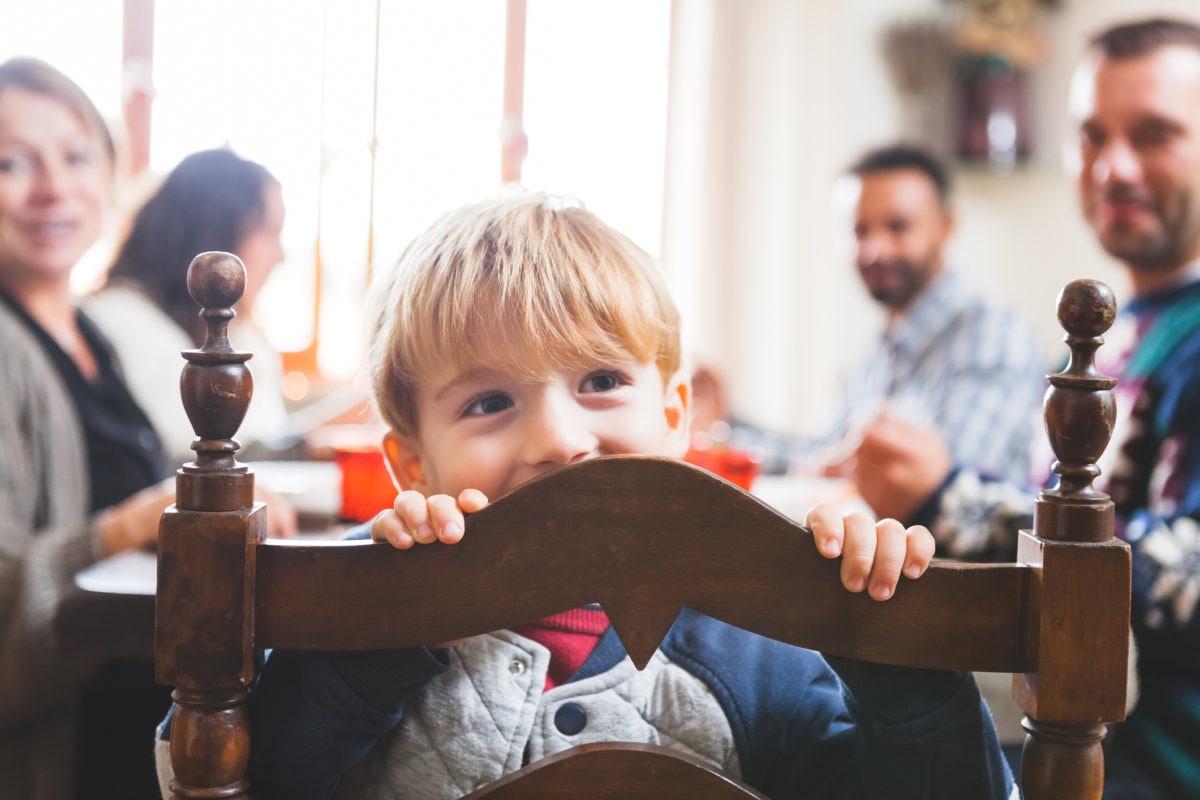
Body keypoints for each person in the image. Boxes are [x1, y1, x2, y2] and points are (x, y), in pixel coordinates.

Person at [155, 191, 1015, 799]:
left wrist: (900, 665)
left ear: (676, 417)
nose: (560, 440)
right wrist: (392, 619)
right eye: (489, 402)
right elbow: (235, 777)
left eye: (601, 380)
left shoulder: (762, 628)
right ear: (412, 464)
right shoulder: (361, 596)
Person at [839, 18, 1200, 799]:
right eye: (1092, 136)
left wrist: (949, 497)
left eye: (1156, 134)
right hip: (1077, 727)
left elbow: (1188, 576)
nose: (1115, 166)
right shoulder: (1124, 337)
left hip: (1151, 764)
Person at [0, 56, 176, 800]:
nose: (55, 188)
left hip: (141, 729)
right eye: (11, 162)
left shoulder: (87, 331)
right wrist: (118, 529)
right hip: (63, 759)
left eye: (76, 155)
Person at [733, 145, 1045, 512]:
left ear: (946, 227)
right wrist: (725, 423)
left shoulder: (994, 335)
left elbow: (947, 487)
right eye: (859, 230)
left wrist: (842, 465)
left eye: (897, 226)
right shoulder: (881, 346)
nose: (874, 249)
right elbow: (820, 453)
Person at [85, 148, 295, 465]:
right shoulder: (120, 323)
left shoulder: (241, 334)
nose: (280, 256)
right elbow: (189, 455)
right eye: (267, 232)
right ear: (213, 234)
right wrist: (307, 448)